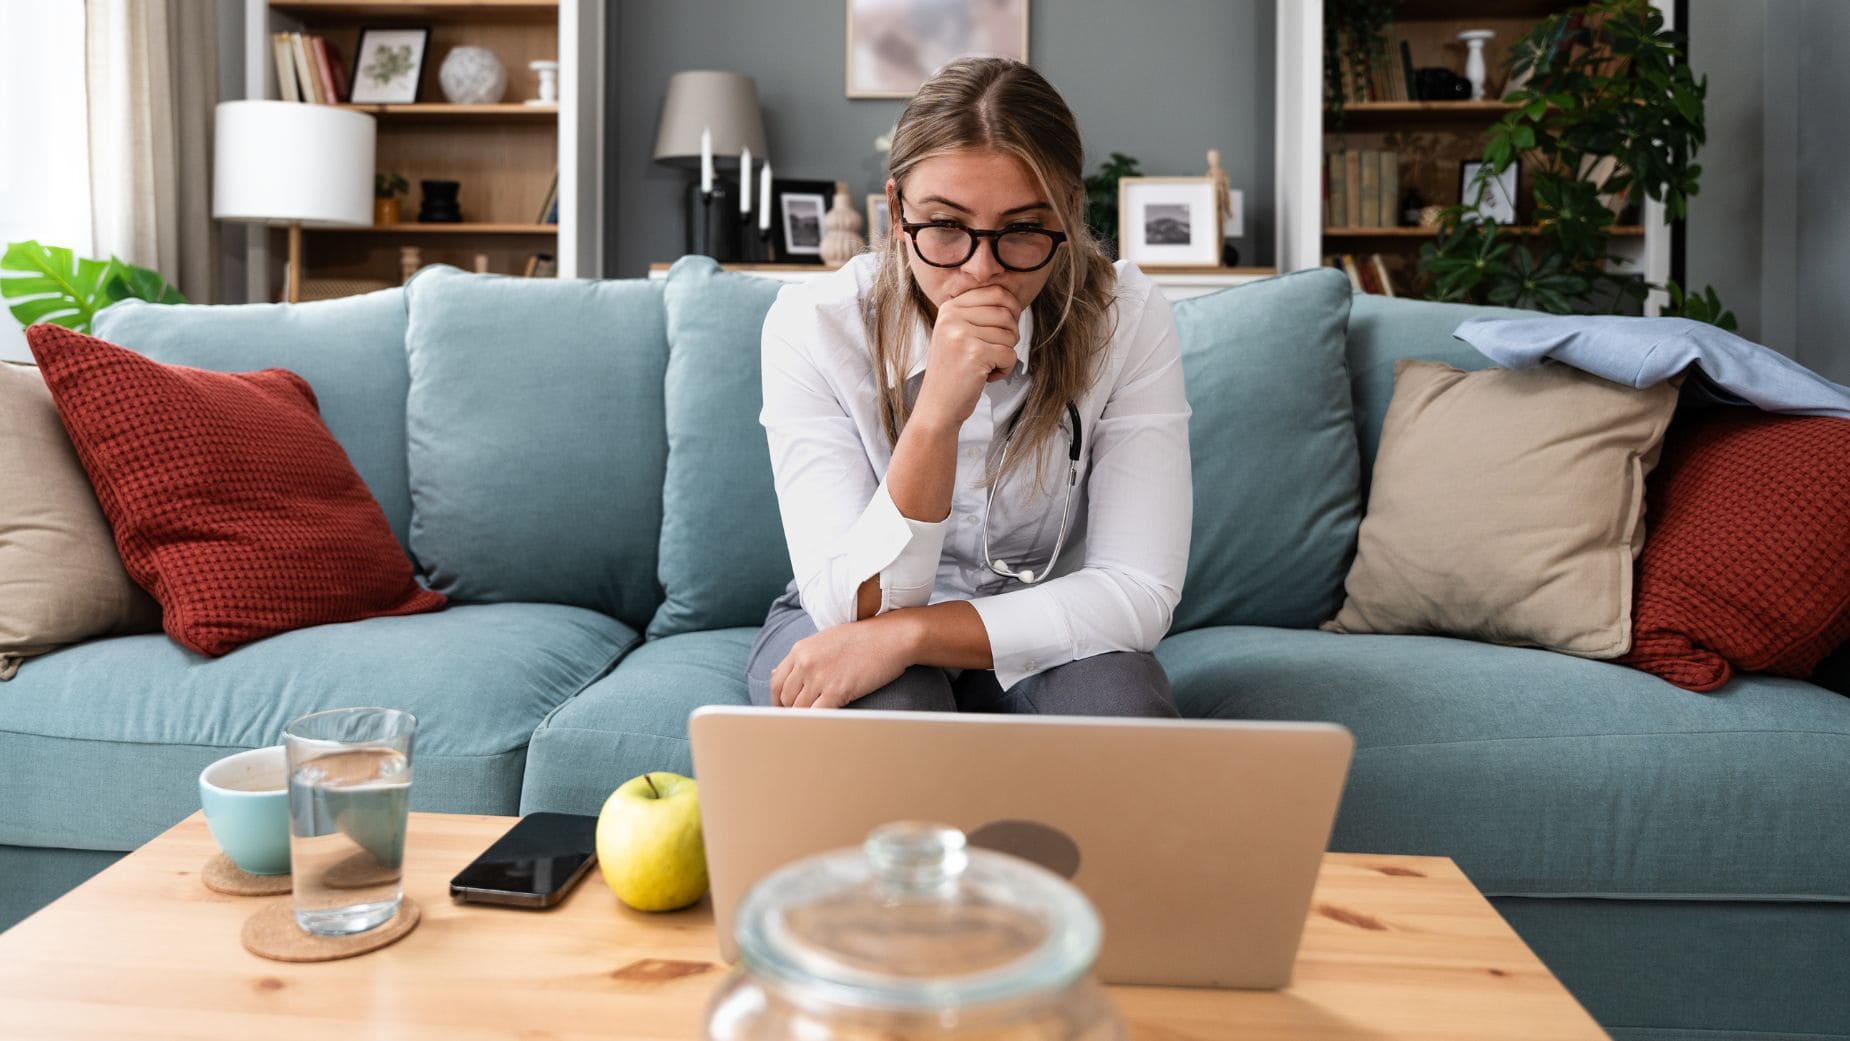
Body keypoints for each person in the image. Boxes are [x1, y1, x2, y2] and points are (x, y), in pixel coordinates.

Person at [747, 57, 1192, 715]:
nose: (982, 271)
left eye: (1020, 229)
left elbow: (1137, 591)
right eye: (947, 226)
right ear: (898, 212)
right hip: (848, 613)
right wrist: (934, 418)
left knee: (1117, 707)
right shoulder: (814, 326)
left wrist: (914, 634)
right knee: (894, 707)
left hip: (1043, 619)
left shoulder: (1125, 317)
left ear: (1069, 215)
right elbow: (852, 607)